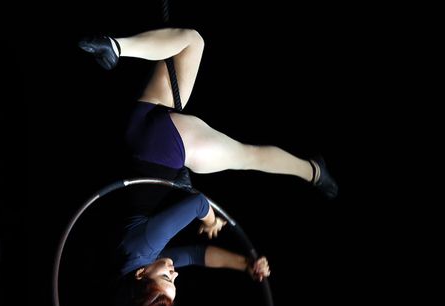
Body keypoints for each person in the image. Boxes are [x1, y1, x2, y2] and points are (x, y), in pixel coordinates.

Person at [78, 28, 339, 199]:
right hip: (136, 126)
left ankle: (314, 171)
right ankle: (116, 45)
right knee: (191, 41)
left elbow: (195, 209)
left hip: (163, 147)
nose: (174, 273)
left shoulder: (140, 250)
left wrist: (210, 219)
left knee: (250, 156)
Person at [114, 190, 270, 306]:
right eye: (172, 280)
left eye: (166, 277)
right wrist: (246, 265)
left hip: (162, 161)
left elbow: (199, 203)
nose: (175, 273)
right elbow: (196, 255)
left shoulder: (145, 246)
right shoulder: (137, 266)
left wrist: (212, 223)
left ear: (141, 274)